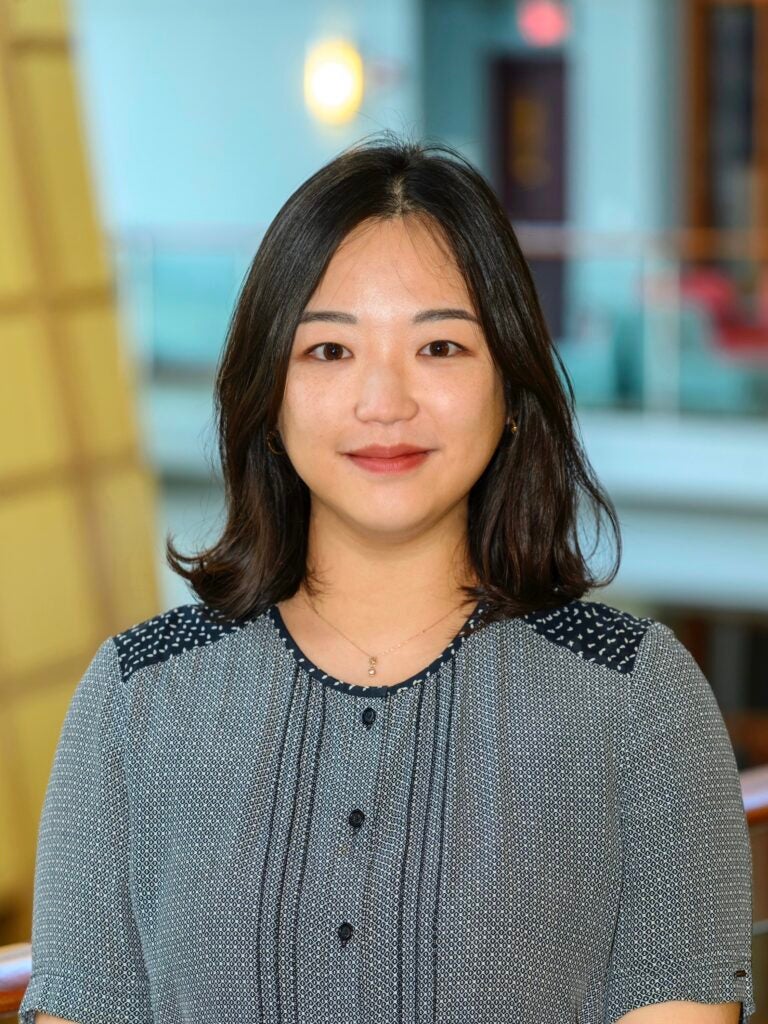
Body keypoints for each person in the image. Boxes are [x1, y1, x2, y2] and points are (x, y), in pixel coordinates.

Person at [21, 132, 754, 1024]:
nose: (385, 402)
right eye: (330, 352)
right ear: (270, 397)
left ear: (512, 392)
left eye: (440, 348)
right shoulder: (135, 699)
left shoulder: (637, 697)